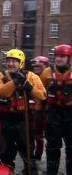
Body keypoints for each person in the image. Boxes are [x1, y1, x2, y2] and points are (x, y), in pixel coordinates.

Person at [0, 49, 46, 175]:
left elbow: (42, 95)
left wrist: (29, 87)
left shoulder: (31, 76)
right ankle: (7, 170)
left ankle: (30, 171)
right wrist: (15, 82)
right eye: (9, 61)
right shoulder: (0, 76)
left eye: (14, 61)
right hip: (6, 120)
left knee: (27, 151)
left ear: (21, 63)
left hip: (24, 121)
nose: (11, 64)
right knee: (6, 153)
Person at [40, 44, 72, 175]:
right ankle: (51, 172)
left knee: (71, 148)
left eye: (62, 56)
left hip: (71, 114)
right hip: (54, 114)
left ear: (69, 58)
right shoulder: (47, 73)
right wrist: (38, 111)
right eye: (57, 56)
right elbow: (40, 91)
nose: (59, 59)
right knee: (52, 147)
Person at [30, 56, 49, 161]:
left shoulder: (47, 78)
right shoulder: (31, 76)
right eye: (35, 66)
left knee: (39, 133)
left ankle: (38, 153)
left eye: (38, 66)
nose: (36, 68)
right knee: (32, 132)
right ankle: (32, 153)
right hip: (32, 108)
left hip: (43, 110)